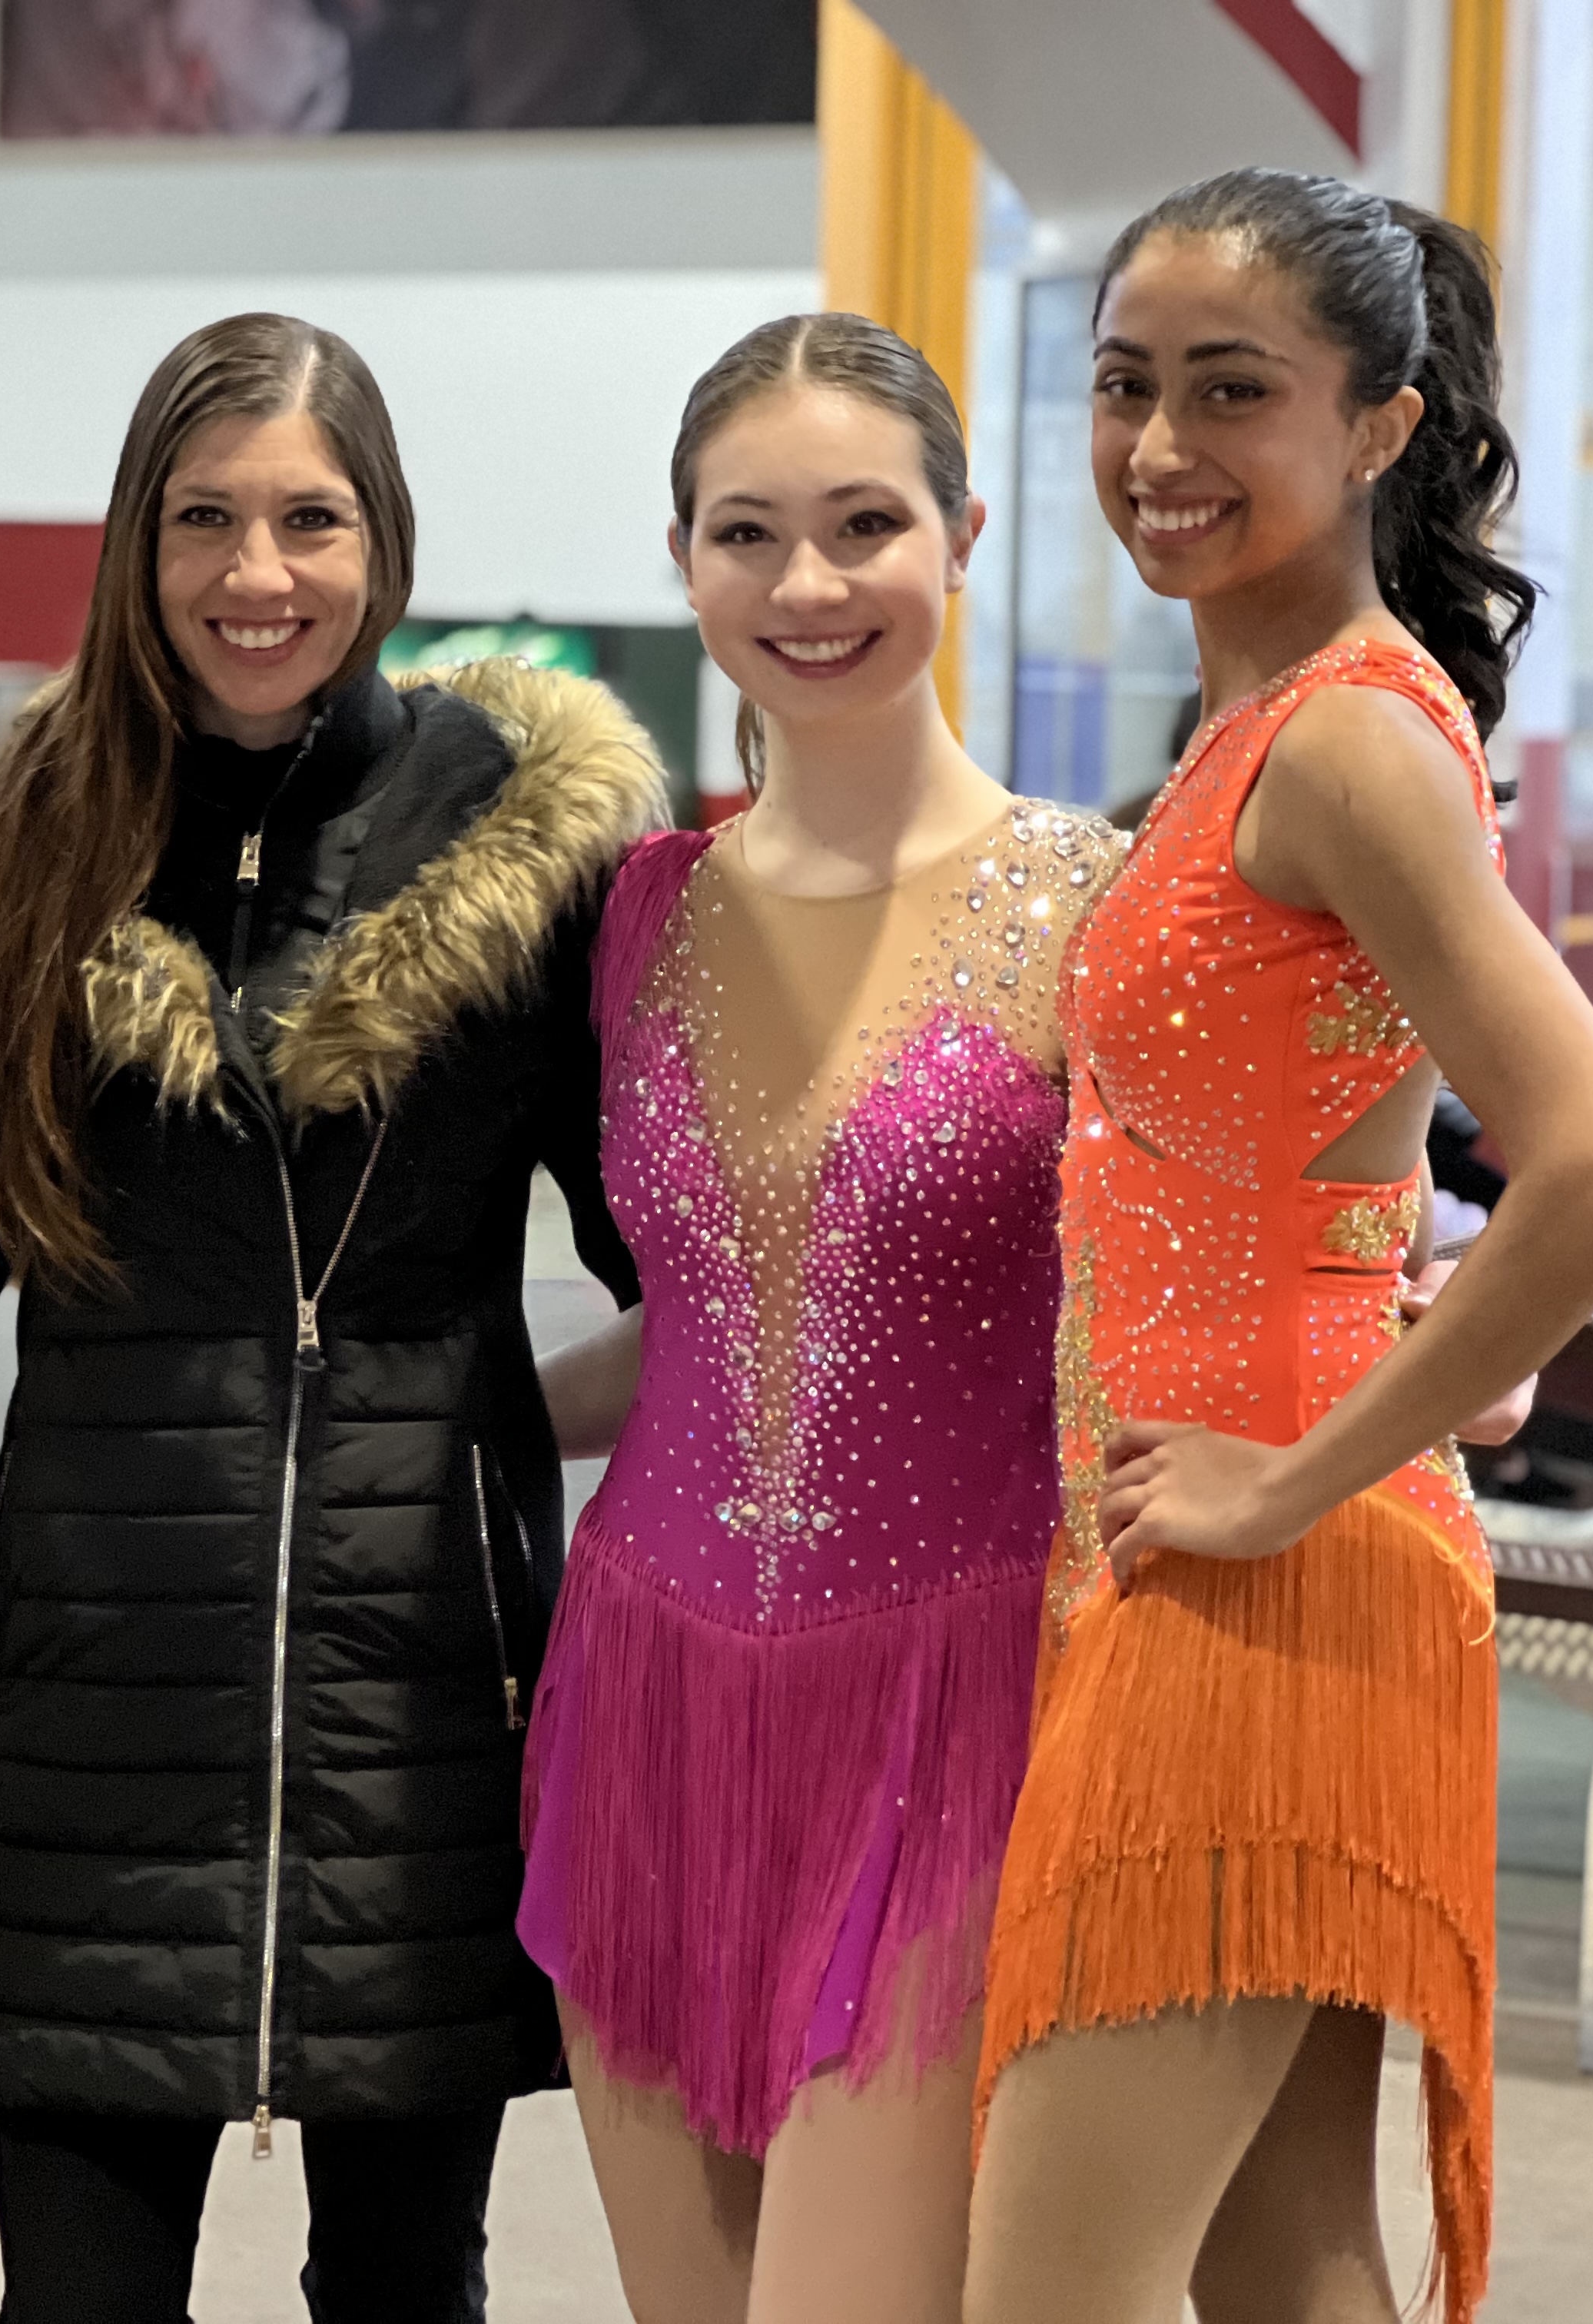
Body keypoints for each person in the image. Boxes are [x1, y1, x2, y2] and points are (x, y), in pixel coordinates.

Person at [964, 169, 1593, 2324]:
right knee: (1282, 2264)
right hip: (1214, 1546)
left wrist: (1304, 1459)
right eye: (1122, 389)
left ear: (1379, 422)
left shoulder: (1350, 740)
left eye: (1230, 394)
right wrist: (1412, 1289)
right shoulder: (1272, 725)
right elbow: (1327, 1116)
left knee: (1049, 2289)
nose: (1160, 450)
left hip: (1263, 1562)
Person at [0, 311, 663, 2323]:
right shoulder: (34, 850)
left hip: (423, 1695)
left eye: (307, 519)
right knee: (72, 2301)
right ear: (139, 544)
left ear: (380, 538)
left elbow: (675, 1245)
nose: (257, 575)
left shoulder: (522, 837)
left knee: (408, 2289)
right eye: (205, 519)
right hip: (103, 1692)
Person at [522, 315, 1121, 2324]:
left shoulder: (1089, 902)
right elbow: (706, 1333)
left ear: (961, 532)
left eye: (866, 524)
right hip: (644, 1703)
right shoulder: (637, 912)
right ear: (682, 563)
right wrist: (445, 1419)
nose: (807, 585)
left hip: (960, 1717)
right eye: (748, 533)